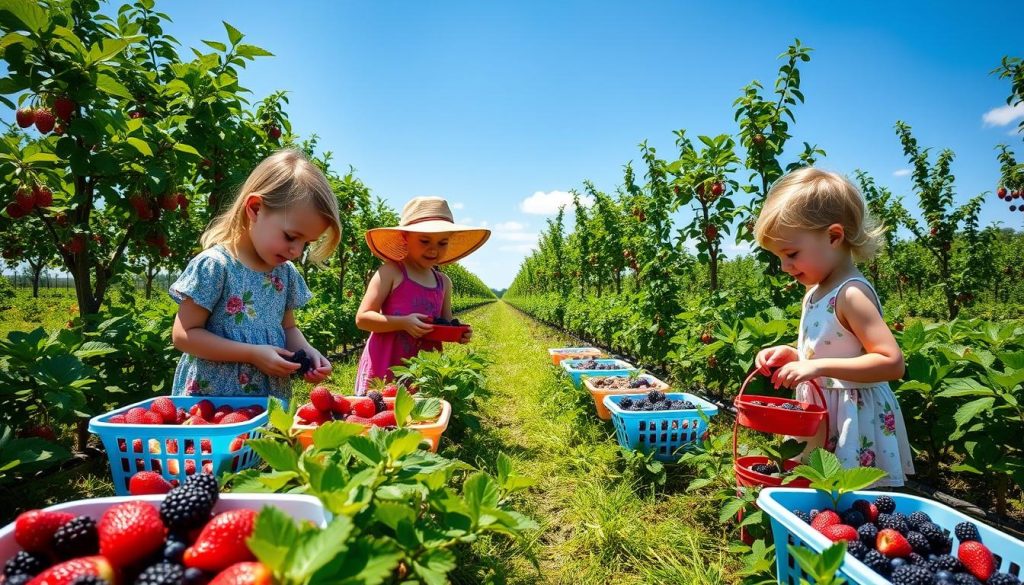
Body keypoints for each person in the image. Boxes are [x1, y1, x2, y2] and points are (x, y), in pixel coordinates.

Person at [752, 167, 914, 487]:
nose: (785, 267)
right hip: (823, 412)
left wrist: (817, 367)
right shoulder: (815, 292)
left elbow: (891, 362)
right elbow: (824, 346)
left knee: (852, 495)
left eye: (791, 254)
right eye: (779, 257)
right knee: (818, 488)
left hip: (854, 418)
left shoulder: (851, 294)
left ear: (833, 236)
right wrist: (793, 355)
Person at [169, 149, 342, 401]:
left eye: (307, 243)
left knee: (265, 441)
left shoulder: (285, 274)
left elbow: (288, 327)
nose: (296, 251)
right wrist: (251, 353)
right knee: (218, 443)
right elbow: (184, 335)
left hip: (268, 397)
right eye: (291, 236)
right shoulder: (216, 266)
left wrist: (307, 351)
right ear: (255, 208)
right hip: (212, 402)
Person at [354, 196, 490, 395]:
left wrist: (458, 333)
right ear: (404, 238)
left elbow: (445, 322)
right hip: (385, 366)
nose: (433, 249)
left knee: (420, 418)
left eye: (442, 243)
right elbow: (363, 319)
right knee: (380, 415)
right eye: (425, 241)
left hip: (423, 372)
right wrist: (403, 323)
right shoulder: (391, 272)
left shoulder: (443, 282)